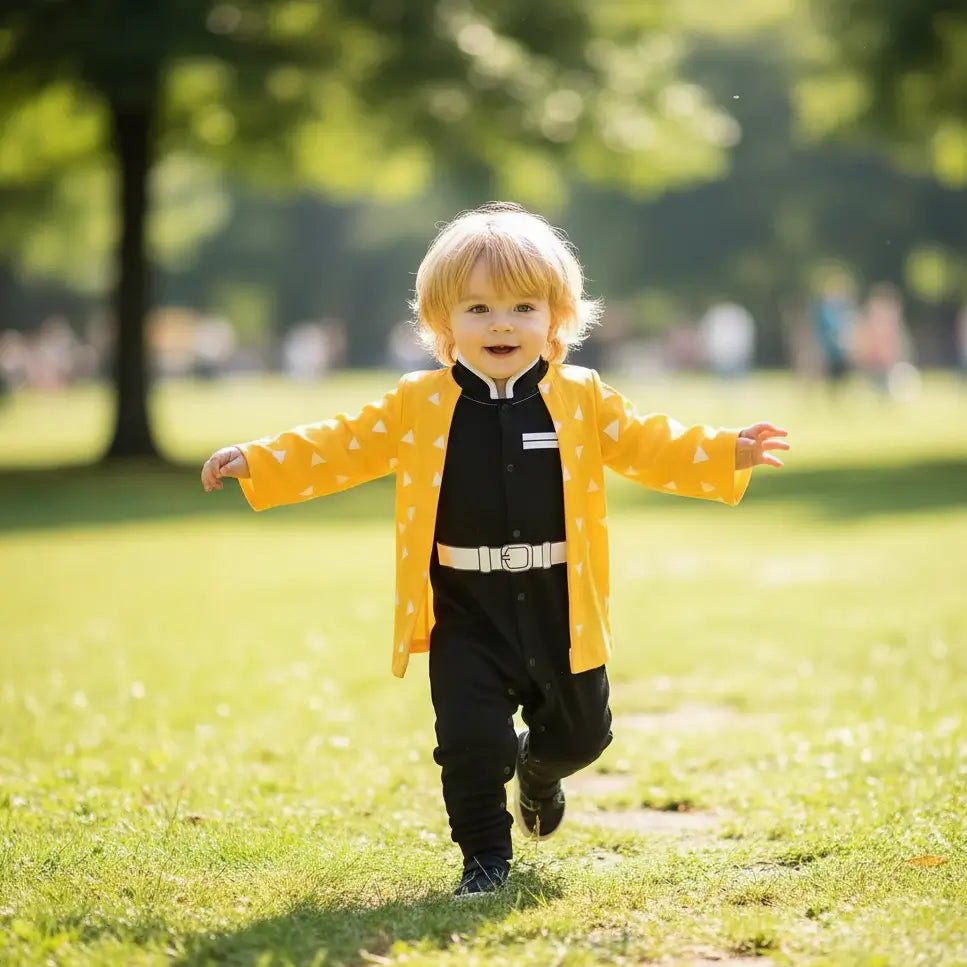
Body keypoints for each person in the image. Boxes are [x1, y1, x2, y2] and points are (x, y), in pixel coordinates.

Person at [200, 202, 789, 899]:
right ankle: (484, 859)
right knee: (470, 743)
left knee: (582, 736)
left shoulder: (580, 396)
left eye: (521, 307)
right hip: (465, 608)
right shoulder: (418, 403)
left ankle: (538, 771)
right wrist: (260, 460)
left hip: (558, 603)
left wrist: (725, 450)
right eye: (478, 308)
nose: (501, 324)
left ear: (556, 318)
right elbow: (340, 443)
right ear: (442, 322)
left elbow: (647, 442)